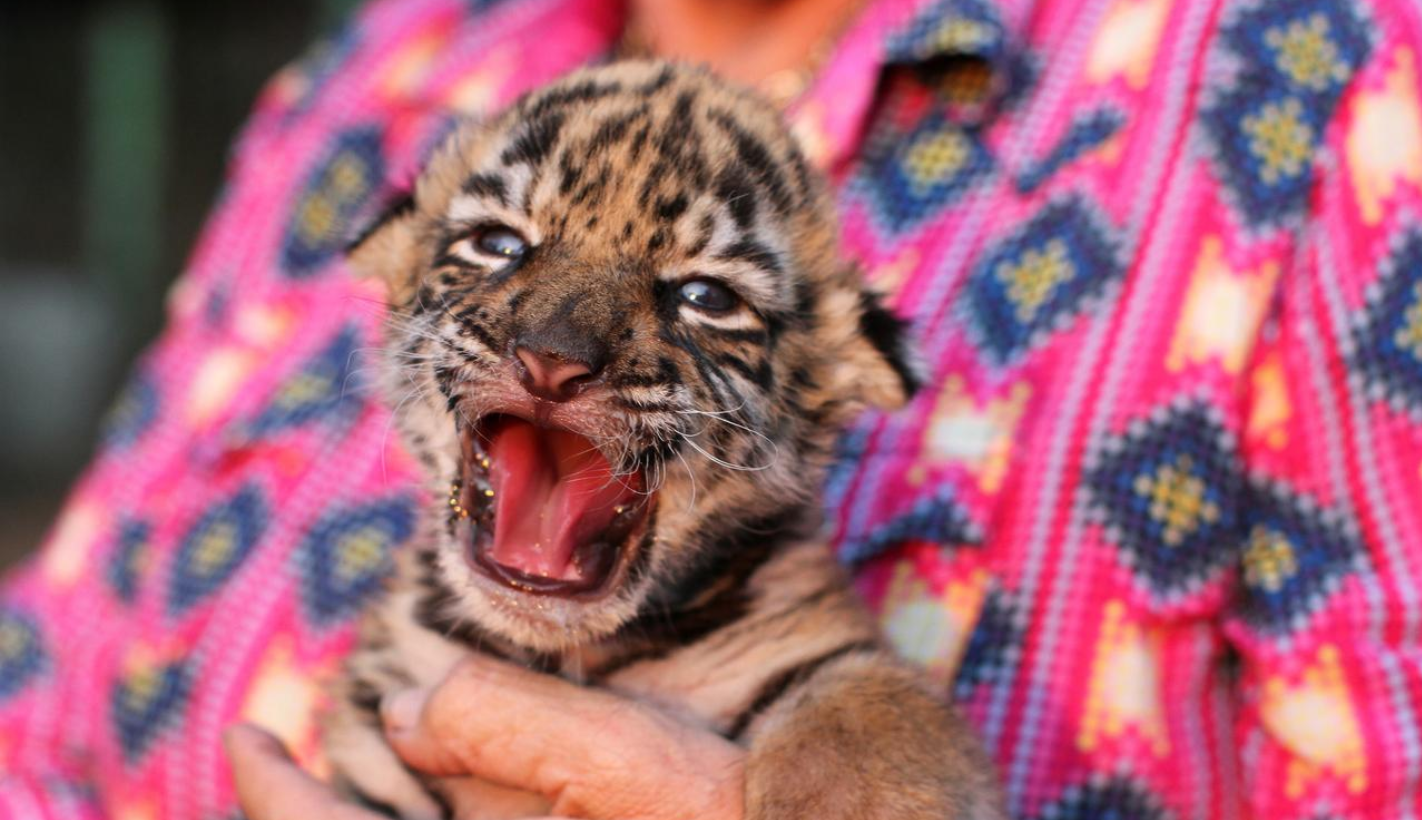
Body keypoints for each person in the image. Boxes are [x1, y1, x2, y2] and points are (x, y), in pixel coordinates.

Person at [2, 0, 1419, 817]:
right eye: (495, 251)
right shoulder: (376, 76)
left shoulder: (1325, 90)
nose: (553, 345)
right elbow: (34, 717)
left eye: (700, 297)